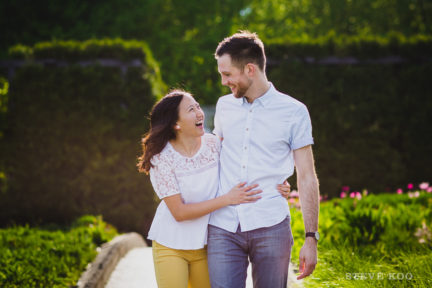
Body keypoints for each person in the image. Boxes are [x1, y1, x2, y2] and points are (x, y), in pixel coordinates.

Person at [137, 89, 291, 288]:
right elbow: (180, 212)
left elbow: (244, 164)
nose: (200, 113)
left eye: (198, 106)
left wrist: (276, 183)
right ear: (176, 124)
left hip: (206, 245)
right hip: (171, 244)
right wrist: (227, 199)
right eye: (191, 110)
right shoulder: (162, 158)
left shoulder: (214, 144)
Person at [207, 31, 320, 288]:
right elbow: (211, 158)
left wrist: (311, 238)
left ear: (249, 69)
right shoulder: (224, 107)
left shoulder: (294, 112)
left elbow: (307, 175)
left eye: (227, 74)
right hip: (223, 227)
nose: (224, 82)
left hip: (271, 225)